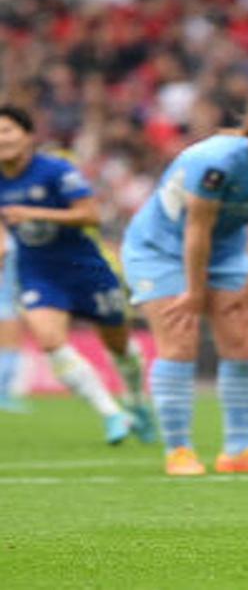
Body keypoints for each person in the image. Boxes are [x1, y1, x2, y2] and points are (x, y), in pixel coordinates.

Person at [121, 86, 248, 476]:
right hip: (159, 250)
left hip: (227, 252)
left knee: (243, 339)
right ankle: (179, 450)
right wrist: (194, 293)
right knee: (179, 339)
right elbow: (197, 229)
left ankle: (239, 450)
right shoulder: (213, 160)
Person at [0, 105, 153, 441]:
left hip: (84, 268)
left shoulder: (55, 171)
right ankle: (111, 413)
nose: (2, 138)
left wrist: (34, 213)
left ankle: (137, 401)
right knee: (49, 340)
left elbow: (90, 215)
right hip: (38, 271)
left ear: (27, 136)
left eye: (8, 130)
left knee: (119, 345)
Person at [0, 227, 26, 413]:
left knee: (10, 346)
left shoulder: (11, 234)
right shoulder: (7, 238)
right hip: (4, 298)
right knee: (9, 346)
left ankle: (4, 393)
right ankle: (2, 394)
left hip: (10, 297)